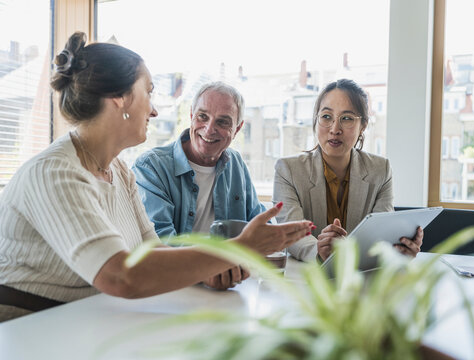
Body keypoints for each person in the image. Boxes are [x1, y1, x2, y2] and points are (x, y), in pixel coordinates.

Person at [0, 32, 312, 322]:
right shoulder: (55, 173)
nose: (154, 111)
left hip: (90, 318)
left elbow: (153, 249)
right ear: (120, 98)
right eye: (148, 92)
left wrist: (208, 269)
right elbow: (122, 276)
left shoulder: (119, 171)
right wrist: (237, 249)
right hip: (30, 326)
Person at [132, 82, 264, 290]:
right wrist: (208, 267)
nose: (209, 129)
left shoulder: (236, 163)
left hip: (231, 286)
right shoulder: (151, 166)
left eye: (222, 122)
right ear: (191, 115)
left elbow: (259, 223)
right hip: (174, 287)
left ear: (237, 128)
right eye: (202, 117)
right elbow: (160, 242)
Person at [273, 79, 423, 262]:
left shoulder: (380, 170)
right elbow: (292, 234)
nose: (335, 129)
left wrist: (398, 249)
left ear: (363, 126)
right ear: (316, 120)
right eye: (326, 117)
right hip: (306, 279)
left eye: (347, 119)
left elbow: (380, 237)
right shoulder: (288, 170)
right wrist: (320, 252)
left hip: (362, 280)